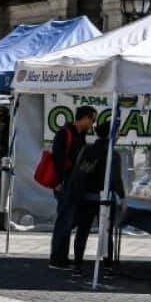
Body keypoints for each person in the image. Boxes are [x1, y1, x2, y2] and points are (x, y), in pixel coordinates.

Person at [66, 121, 124, 277]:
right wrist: (122, 197)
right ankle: (108, 266)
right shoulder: (113, 154)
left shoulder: (88, 149)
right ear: (112, 134)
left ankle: (77, 265)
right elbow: (116, 179)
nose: (119, 135)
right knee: (106, 234)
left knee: (82, 232)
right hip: (105, 199)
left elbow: (80, 172)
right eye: (118, 132)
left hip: (86, 198)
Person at [49, 106, 96, 270]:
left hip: (74, 184)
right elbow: (57, 159)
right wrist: (58, 182)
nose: (93, 124)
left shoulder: (80, 136)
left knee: (69, 221)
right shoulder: (65, 133)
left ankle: (61, 257)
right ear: (85, 118)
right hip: (65, 183)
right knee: (64, 221)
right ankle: (57, 259)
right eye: (92, 120)